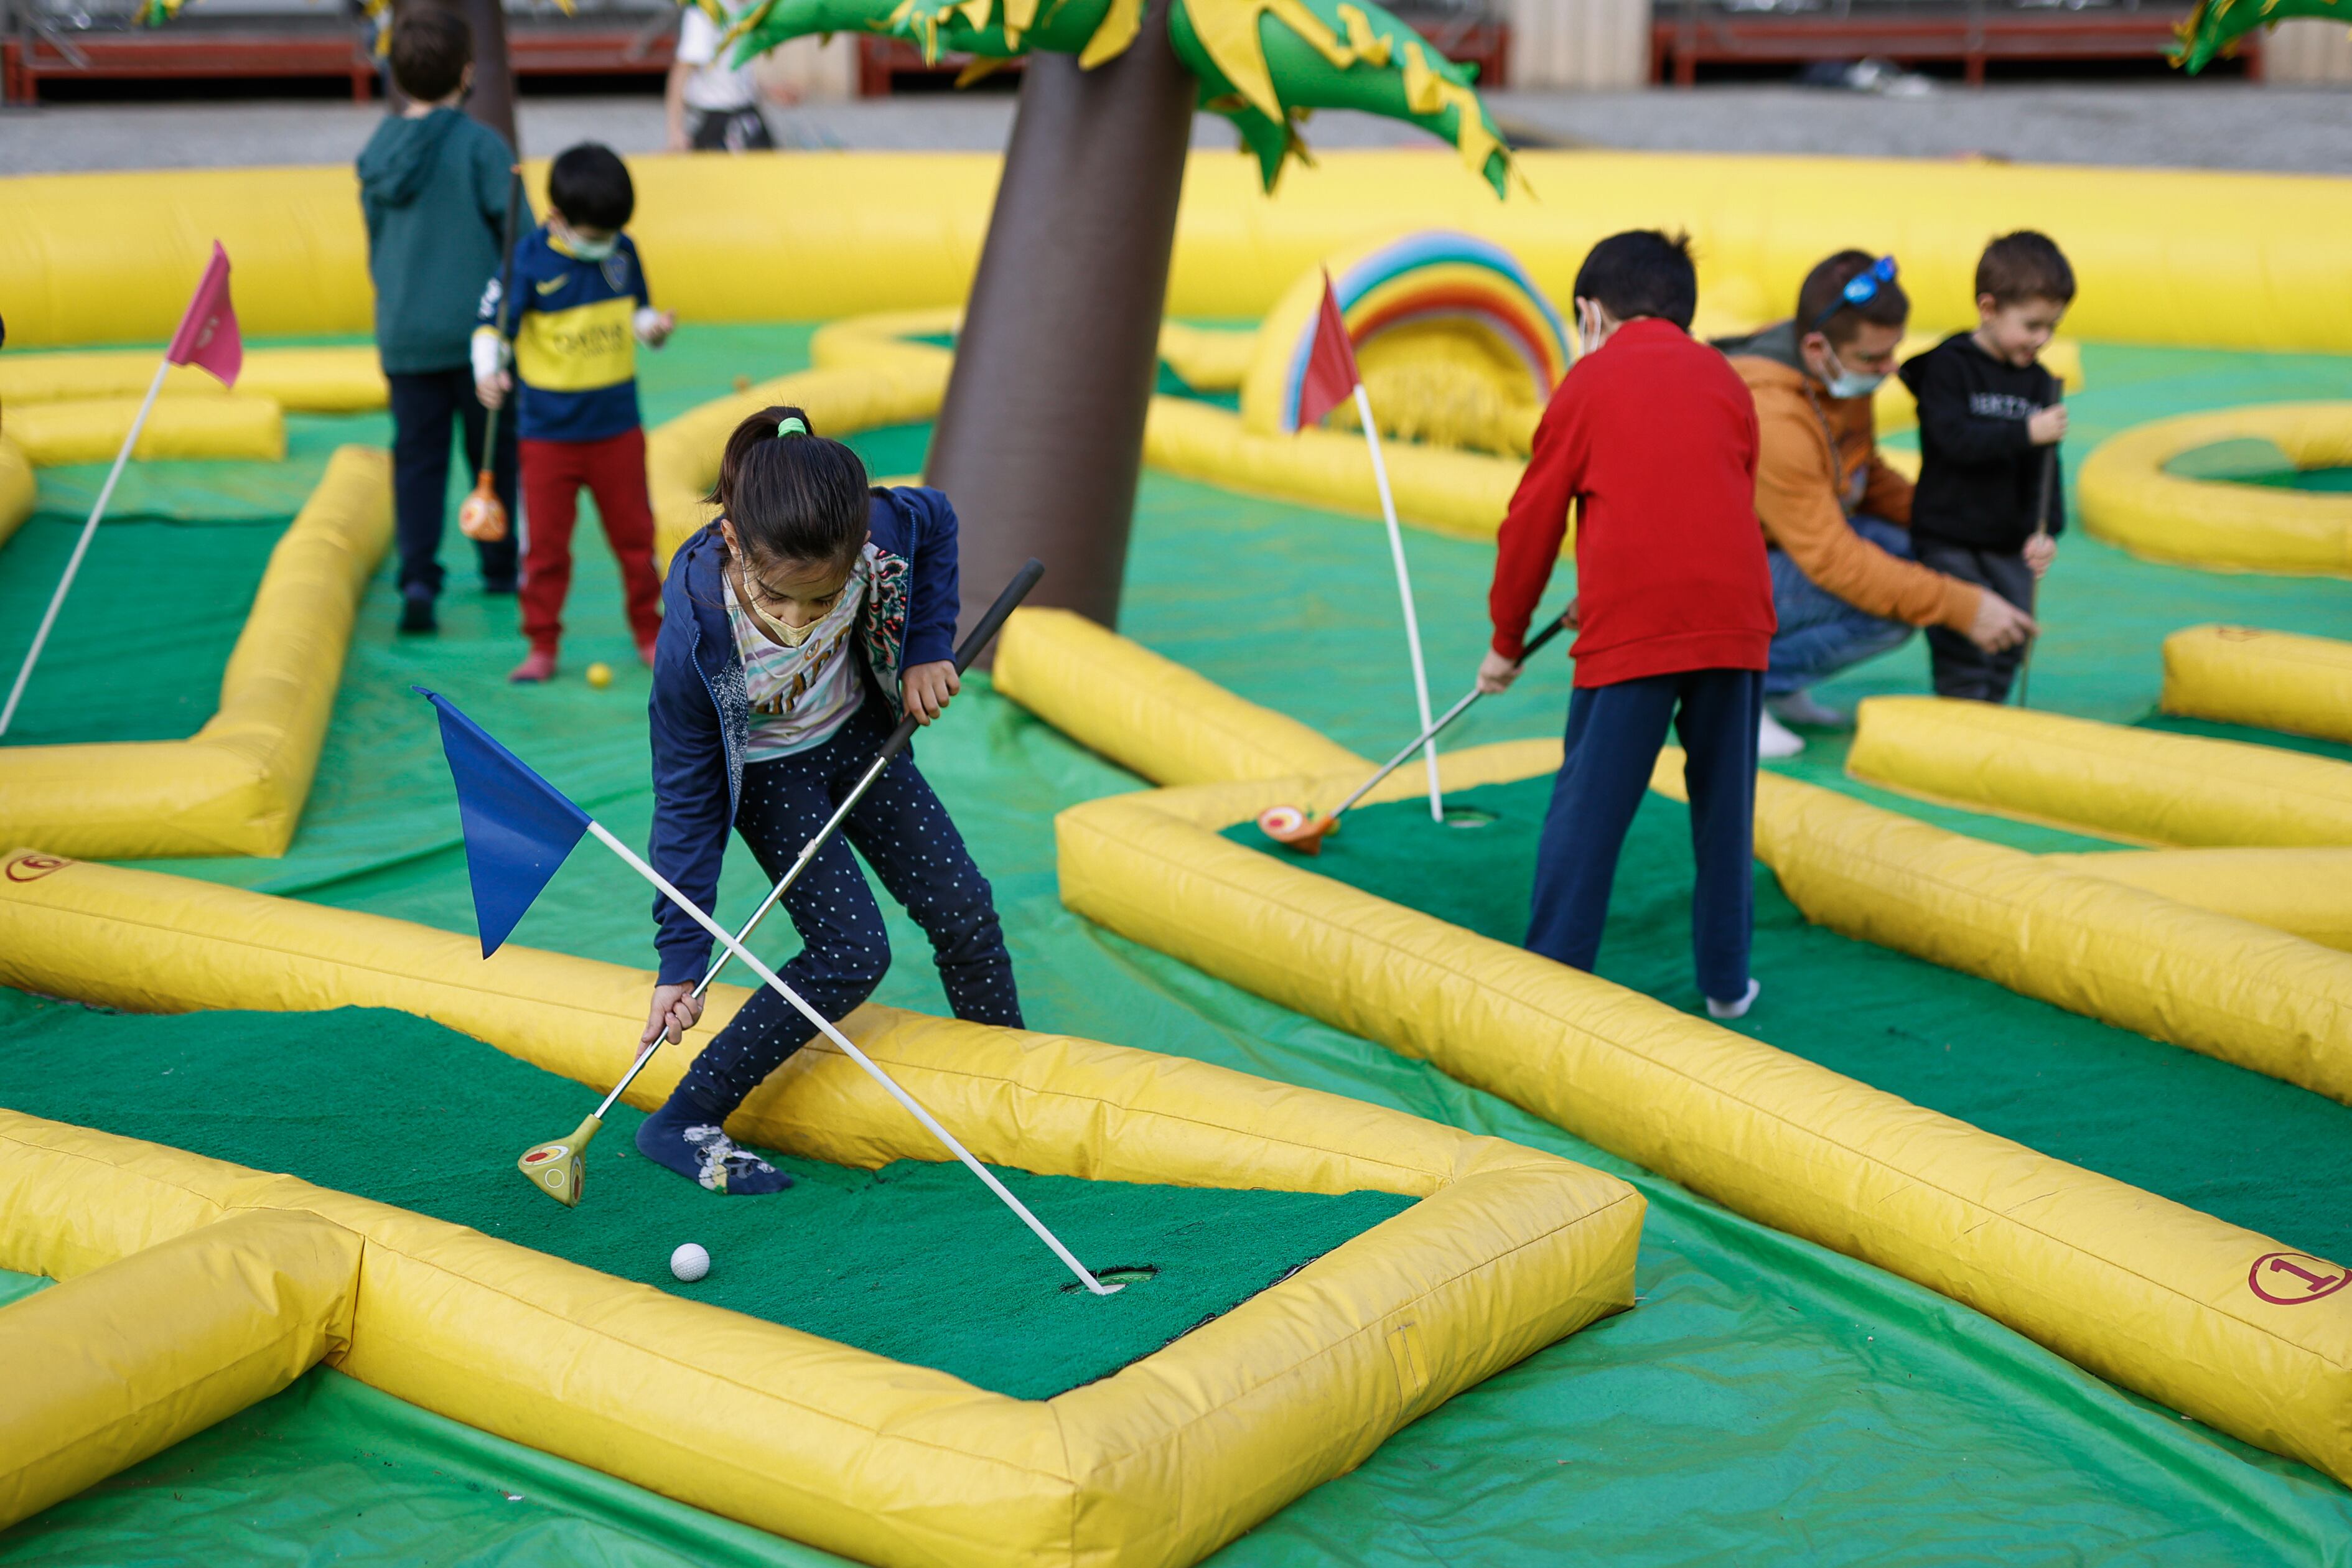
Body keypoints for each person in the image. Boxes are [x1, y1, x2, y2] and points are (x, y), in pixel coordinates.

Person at [633, 406, 1021, 1193]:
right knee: (852, 952)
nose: (801, 621)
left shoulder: (875, 524)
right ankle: (684, 1116)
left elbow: (937, 521)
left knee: (965, 910)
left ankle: (1014, 1085)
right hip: (773, 779)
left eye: (824, 600)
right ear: (737, 544)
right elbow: (686, 800)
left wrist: (925, 649)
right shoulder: (697, 644)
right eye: (781, 602)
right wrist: (682, 958)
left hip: (861, 739)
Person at [1480, 231, 1776, 1020]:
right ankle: (1726, 984)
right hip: (1735, 624)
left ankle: (1553, 982)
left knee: (1590, 808)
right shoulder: (1725, 378)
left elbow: (1532, 523)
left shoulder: (1589, 379)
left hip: (1639, 631)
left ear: (1590, 312)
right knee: (1725, 808)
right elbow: (1712, 503)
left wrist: (1506, 643)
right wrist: (1603, 585)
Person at [1720, 252, 2035, 757]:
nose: (1890, 370)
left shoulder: (1834, 367)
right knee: (1892, 603)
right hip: (1706, 580)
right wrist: (1964, 606)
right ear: (1818, 348)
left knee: (1922, 555)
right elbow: (1833, 561)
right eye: (1874, 360)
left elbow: (1864, 473)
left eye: (1893, 353)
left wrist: (1970, 526)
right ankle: (1729, 692)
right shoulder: (1773, 417)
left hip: (1772, 549)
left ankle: (1773, 683)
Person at [474, 142, 674, 683]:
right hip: (547, 438)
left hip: (617, 430)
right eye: (593, 237)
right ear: (556, 218)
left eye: (611, 235)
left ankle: (649, 631)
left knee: (637, 539)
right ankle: (541, 643)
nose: (604, 245)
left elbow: (638, 313)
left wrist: (653, 328)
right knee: (543, 548)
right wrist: (488, 370)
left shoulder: (622, 250)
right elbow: (493, 329)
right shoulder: (528, 262)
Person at [357, 6, 521, 635]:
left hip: (405, 329)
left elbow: (377, 240)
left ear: (397, 74)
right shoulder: (482, 146)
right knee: (491, 448)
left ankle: (420, 579)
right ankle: (500, 564)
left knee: (416, 459)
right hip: (477, 334)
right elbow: (514, 237)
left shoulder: (378, 148)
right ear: (469, 72)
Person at [1898, 231, 2074, 702]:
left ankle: (1989, 719)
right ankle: (1962, 715)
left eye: (2052, 327)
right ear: (1989, 308)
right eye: (2032, 325)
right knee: (1965, 643)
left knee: (2011, 639)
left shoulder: (2039, 383)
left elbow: (2045, 466)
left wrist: (2047, 530)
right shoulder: (1949, 368)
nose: (2043, 339)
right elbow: (1950, 439)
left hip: (2009, 541)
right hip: (1949, 537)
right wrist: (2025, 432)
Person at [665, 4, 777, 152]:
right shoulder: (706, 11)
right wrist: (676, 133)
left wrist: (768, 90)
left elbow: (732, 72)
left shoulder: (742, 10)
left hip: (745, 111)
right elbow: (681, 71)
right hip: (716, 117)